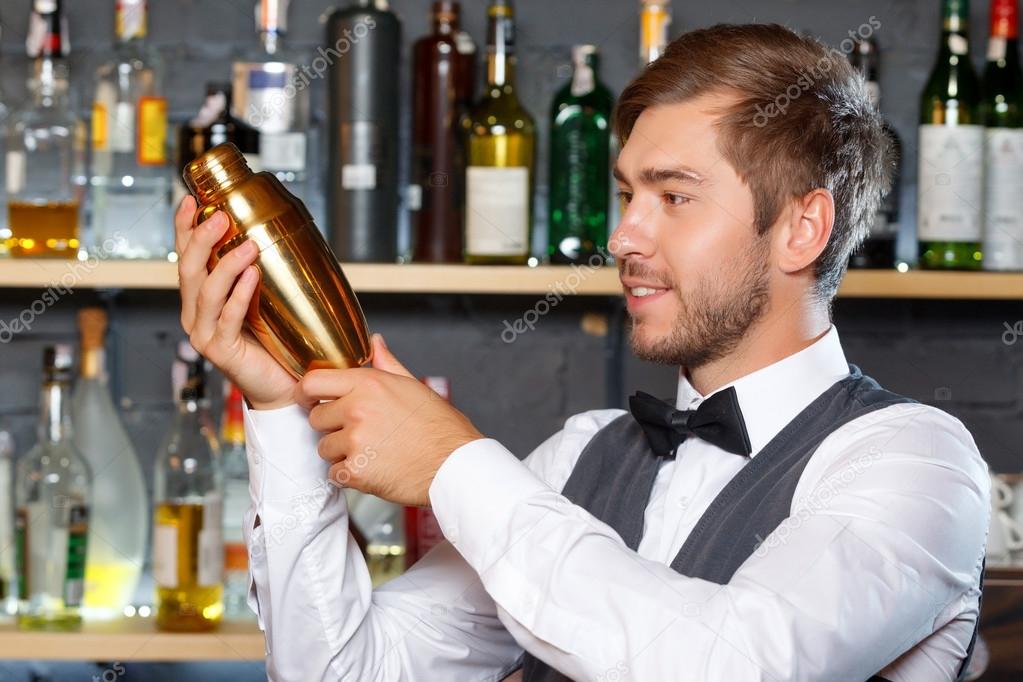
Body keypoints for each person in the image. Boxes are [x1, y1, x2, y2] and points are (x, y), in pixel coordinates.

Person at [174, 23, 988, 682]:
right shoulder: (575, 458)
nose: (622, 236)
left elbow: (736, 666)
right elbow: (347, 672)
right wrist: (283, 405)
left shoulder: (914, 463)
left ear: (800, 228)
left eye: (672, 197)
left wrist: (454, 467)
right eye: (626, 195)